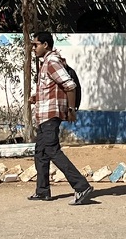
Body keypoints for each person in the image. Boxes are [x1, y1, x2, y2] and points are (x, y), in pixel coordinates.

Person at [28, 32, 94, 206]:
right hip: (43, 116)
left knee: (52, 150)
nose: (33, 48)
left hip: (51, 115)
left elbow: (69, 85)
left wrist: (71, 109)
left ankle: (81, 186)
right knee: (40, 152)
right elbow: (51, 89)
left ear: (46, 45)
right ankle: (42, 191)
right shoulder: (45, 64)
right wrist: (36, 97)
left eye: (36, 45)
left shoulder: (52, 62)